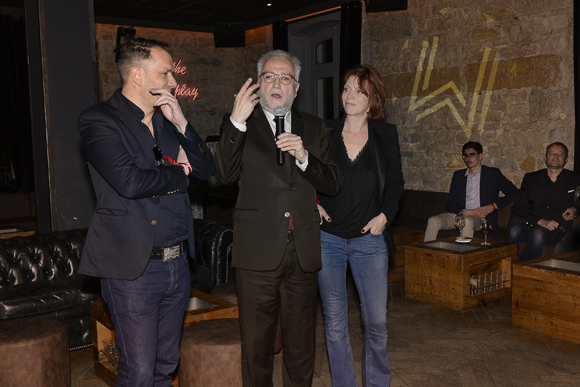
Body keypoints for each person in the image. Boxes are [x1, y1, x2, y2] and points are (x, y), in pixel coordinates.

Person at [78, 38, 215, 386]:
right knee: (138, 373)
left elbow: (206, 168)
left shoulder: (169, 120)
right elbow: (130, 182)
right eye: (166, 72)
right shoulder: (99, 120)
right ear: (137, 75)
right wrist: (179, 172)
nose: (173, 81)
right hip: (133, 271)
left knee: (166, 366)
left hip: (178, 265)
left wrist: (183, 124)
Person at [215, 50, 341, 387]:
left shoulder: (313, 127)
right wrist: (236, 122)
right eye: (269, 76)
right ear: (258, 84)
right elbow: (223, 175)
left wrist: (303, 156)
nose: (277, 83)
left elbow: (331, 182)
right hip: (257, 253)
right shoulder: (242, 123)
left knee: (301, 347)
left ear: (296, 88)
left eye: (285, 78)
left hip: (302, 251)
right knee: (256, 347)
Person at [317, 64, 404, 387]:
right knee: (336, 322)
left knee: (377, 322)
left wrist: (385, 216)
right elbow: (305, 174)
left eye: (360, 90)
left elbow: (395, 182)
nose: (350, 95)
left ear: (373, 99)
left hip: (370, 241)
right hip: (328, 240)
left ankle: (377, 383)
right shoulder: (324, 132)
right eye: (347, 89)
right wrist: (313, 203)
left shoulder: (385, 134)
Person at [424, 141, 518, 241]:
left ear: (480, 156)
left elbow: (514, 192)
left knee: (467, 221)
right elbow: (450, 203)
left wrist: (493, 206)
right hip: (460, 215)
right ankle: (426, 255)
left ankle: (464, 255)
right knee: (433, 220)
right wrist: (463, 211)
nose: (468, 158)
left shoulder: (492, 174)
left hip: (481, 218)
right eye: (466, 155)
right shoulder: (458, 176)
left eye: (472, 155)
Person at [506, 142, 580, 262]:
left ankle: (523, 269)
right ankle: (505, 266)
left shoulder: (575, 179)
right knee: (514, 230)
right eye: (552, 153)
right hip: (528, 219)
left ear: (566, 159)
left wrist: (575, 210)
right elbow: (517, 207)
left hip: (553, 224)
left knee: (537, 234)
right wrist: (540, 221)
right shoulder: (531, 178)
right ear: (545, 158)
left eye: (560, 154)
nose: (555, 156)